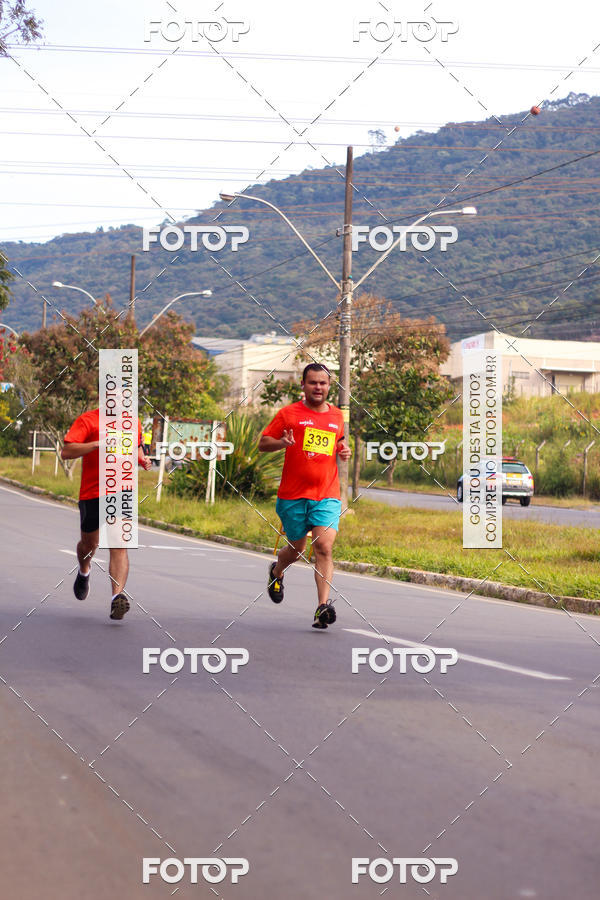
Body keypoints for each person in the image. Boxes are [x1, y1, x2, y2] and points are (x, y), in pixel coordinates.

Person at [258, 363, 352, 629]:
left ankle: (322, 607)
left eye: (323, 383)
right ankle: (277, 571)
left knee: (324, 547)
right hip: (293, 496)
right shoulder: (288, 414)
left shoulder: (337, 416)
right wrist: (282, 443)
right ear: (303, 385)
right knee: (297, 550)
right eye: (313, 382)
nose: (318, 387)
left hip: (327, 494)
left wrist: (343, 449)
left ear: (329, 386)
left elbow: (339, 441)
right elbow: (263, 443)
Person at [61, 408, 151, 621]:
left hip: (122, 491)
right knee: (89, 544)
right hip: (92, 493)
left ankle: (116, 598)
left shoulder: (133, 422)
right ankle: (84, 570)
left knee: (119, 543)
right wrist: (97, 444)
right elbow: (66, 452)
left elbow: (136, 448)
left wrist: (142, 460)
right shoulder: (88, 420)